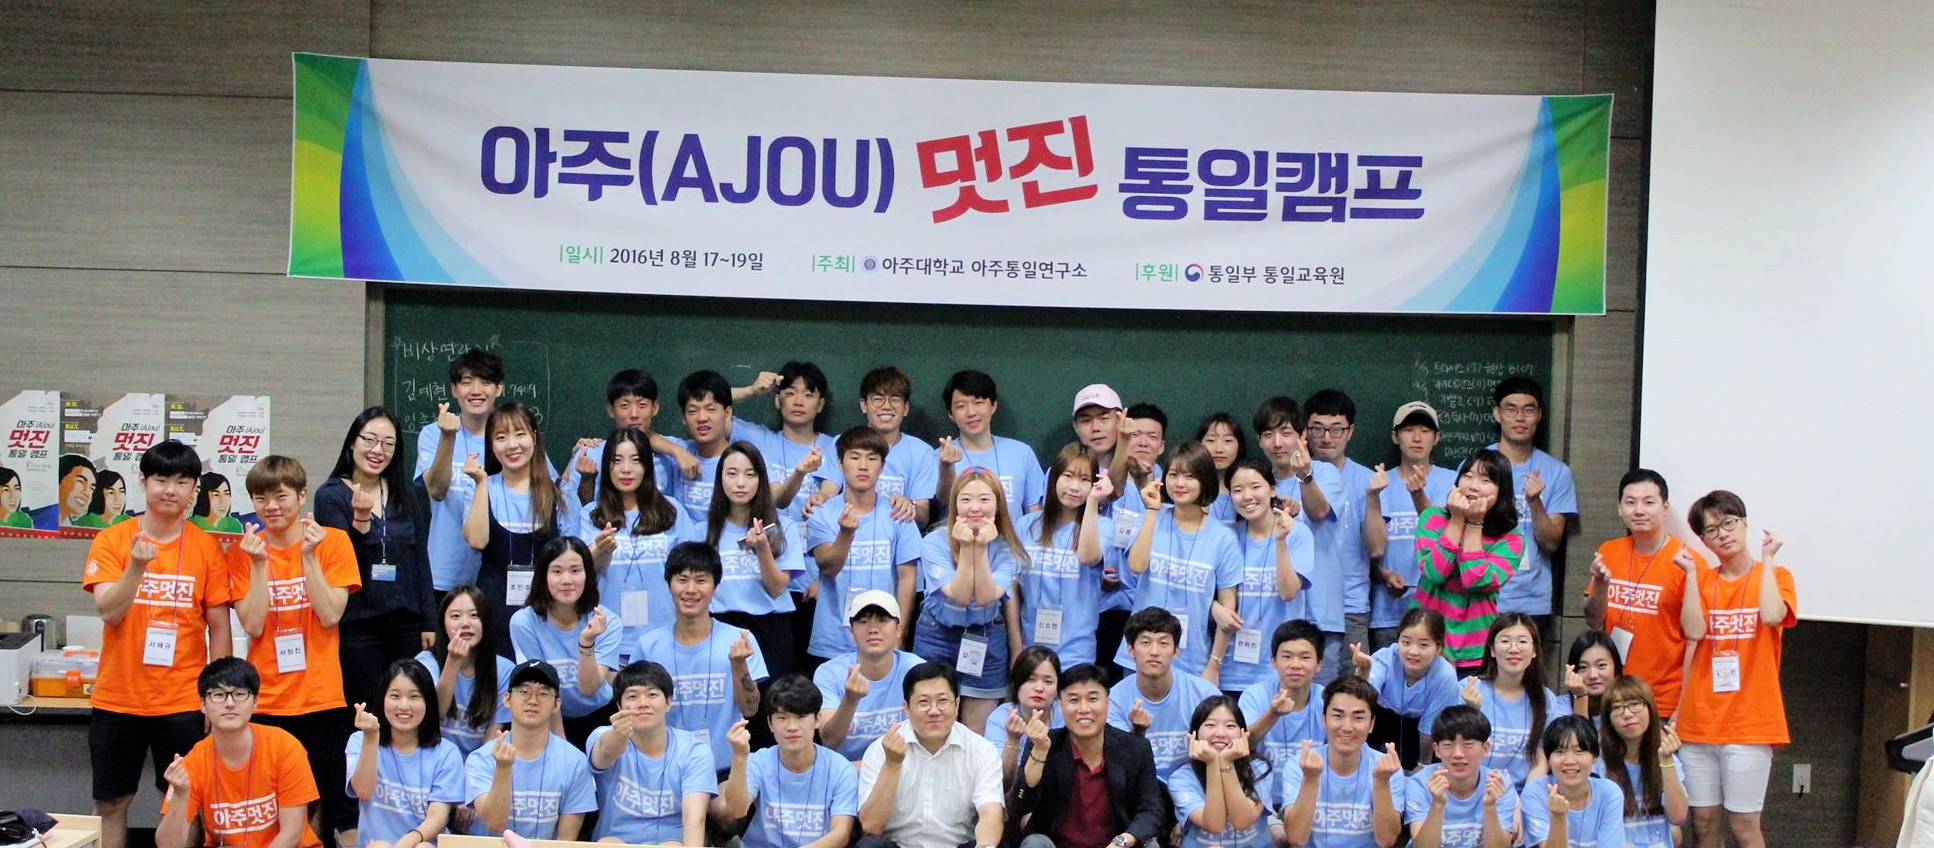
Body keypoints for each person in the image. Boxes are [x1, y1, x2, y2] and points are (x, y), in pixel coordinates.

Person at [84, 440, 233, 848]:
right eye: (161, 479)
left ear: (194, 490)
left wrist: (216, 697)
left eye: (182, 482)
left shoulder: (207, 548)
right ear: (143, 482)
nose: (170, 490)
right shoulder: (112, 540)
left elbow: (220, 628)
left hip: (183, 701)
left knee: (184, 803)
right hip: (118, 699)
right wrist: (135, 567)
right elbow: (109, 611)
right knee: (111, 803)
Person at [228, 455, 361, 844]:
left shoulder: (331, 542)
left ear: (302, 496)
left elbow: (330, 614)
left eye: (280, 496)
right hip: (266, 699)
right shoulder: (243, 551)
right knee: (270, 802)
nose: (271, 506)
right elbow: (253, 624)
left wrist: (307, 557)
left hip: (319, 697)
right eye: (261, 498)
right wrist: (257, 565)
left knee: (319, 802)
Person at [1676, 490, 1796, 848]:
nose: (1723, 534)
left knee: (1744, 826)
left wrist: (1768, 559)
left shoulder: (1776, 575)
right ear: (1703, 540)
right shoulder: (1701, 580)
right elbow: (1694, 631)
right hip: (1699, 722)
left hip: (1750, 723)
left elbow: (1772, 615)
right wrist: (1691, 576)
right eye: (1711, 530)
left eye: (1728, 522)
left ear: (1744, 523)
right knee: (1703, 822)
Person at [317, 407, 438, 726]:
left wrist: (429, 620)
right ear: (352, 442)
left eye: (388, 443)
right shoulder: (331, 496)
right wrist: (360, 521)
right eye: (369, 440)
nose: (377, 450)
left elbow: (420, 558)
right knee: (366, 713)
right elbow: (339, 559)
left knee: (405, 713)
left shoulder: (405, 493)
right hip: (359, 624)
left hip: (406, 623)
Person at [156, 658, 323, 848]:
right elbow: (167, 845)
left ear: (255, 702)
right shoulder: (193, 762)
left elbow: (291, 835)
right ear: (203, 704)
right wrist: (180, 795)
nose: (229, 703)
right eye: (218, 695)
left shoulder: (285, 747)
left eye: (240, 694)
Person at [633, 542, 769, 773]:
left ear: (715, 586)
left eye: (701, 580)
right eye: (682, 579)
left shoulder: (739, 639)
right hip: (665, 769)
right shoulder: (648, 646)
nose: (690, 589)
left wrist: (738, 665)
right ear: (669, 584)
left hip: (725, 769)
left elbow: (750, 708)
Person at [1119, 441, 1243, 683]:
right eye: (1173, 475)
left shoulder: (1224, 538)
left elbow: (1228, 612)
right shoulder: (1150, 518)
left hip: (1193, 662)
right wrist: (1152, 511)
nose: (1180, 483)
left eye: (1190, 476)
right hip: (1140, 656)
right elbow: (1136, 565)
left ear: (1205, 480)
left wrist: (1214, 666)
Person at [1008, 662, 1168, 848]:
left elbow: (1152, 811)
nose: (1084, 709)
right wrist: (1039, 752)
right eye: (1074, 700)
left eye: (1092, 699)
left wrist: (1122, 841)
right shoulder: (1044, 744)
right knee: (1035, 843)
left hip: (1114, 846)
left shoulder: (1135, 748)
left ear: (1107, 704)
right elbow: (1021, 805)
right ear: (1061, 706)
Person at [914, 468, 1025, 731]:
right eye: (965, 499)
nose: (975, 507)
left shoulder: (1006, 548)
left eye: (984, 499)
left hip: (985, 635)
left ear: (998, 505)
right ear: (954, 504)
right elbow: (961, 596)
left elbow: (985, 597)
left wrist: (981, 548)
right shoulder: (934, 542)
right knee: (932, 720)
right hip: (937, 635)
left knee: (978, 730)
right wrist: (966, 547)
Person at [1584, 469, 1700, 718]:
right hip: (1612, 697)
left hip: (1663, 701)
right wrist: (1600, 585)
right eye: (1630, 502)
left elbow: (1696, 642)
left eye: (1648, 502)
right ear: (1619, 508)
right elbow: (1593, 620)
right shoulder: (1609, 551)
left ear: (1665, 507)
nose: (1639, 510)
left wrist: (1683, 708)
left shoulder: (1688, 562)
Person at [463, 400, 579, 649]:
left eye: (520, 434)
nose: (512, 445)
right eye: (501, 437)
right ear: (491, 444)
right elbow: (477, 541)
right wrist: (481, 483)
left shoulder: (560, 492)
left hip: (548, 616)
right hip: (492, 615)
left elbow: (574, 558)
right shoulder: (479, 488)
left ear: (534, 438)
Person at [575, 427, 700, 657]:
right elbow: (578, 571)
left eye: (635, 460)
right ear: (607, 466)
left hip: (666, 637)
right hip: (609, 639)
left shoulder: (672, 511)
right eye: (617, 460)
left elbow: (693, 569)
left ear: (647, 466)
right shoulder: (591, 514)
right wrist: (599, 550)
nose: (626, 469)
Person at [856, 662, 1005, 848]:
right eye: (923, 702)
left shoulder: (981, 750)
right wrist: (892, 764)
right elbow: (871, 826)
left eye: (943, 701)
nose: (934, 711)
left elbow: (991, 812)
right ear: (906, 708)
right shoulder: (881, 750)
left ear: (957, 704)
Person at [806, 426, 921, 662]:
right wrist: (846, 533)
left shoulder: (899, 514)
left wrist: (900, 635)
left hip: (884, 640)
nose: (863, 466)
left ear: (882, 466)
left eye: (872, 458)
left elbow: (907, 578)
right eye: (855, 457)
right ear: (840, 464)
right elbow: (828, 568)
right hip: (832, 642)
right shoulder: (822, 513)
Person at [1301, 389, 1391, 690]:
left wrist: (1372, 498)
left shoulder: (1367, 479)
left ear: (1350, 431)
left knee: (1353, 692)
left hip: (1351, 605)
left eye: (1336, 429)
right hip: (1302, 604)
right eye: (1317, 428)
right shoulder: (1291, 477)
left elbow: (1377, 548)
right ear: (1305, 431)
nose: (1327, 438)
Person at [1412, 448, 1524, 670]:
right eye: (1468, 476)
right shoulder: (1433, 518)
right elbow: (1435, 573)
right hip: (1424, 643)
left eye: (1485, 480)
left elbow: (1474, 580)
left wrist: (1474, 524)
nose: (1473, 486)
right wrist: (1457, 521)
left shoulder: (1511, 539)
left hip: (1475, 649)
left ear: (1502, 491)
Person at [718, 674, 860, 848]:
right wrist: (739, 756)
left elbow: (841, 834)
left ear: (817, 720)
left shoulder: (840, 769)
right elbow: (736, 811)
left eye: (801, 717)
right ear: (770, 724)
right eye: (782, 718)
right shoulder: (758, 762)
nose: (792, 727)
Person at [587, 660, 719, 845]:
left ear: (668, 702)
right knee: (609, 843)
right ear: (619, 706)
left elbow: (694, 820)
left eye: (652, 695)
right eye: (632, 696)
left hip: (673, 842)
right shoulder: (602, 736)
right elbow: (604, 753)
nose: (643, 704)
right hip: (617, 840)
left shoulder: (694, 751)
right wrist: (618, 735)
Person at [507, 537, 621, 748]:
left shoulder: (607, 622)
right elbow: (544, 687)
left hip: (599, 715)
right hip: (548, 714)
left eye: (575, 570)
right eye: (557, 571)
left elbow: (589, 688)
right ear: (543, 576)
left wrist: (587, 643)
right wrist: (563, 751)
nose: (567, 580)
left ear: (587, 575)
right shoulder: (524, 622)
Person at [705, 440, 805, 680]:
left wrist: (762, 548)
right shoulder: (703, 531)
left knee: (774, 698)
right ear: (720, 479)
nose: (741, 483)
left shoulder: (783, 527)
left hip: (771, 628)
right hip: (721, 625)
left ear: (761, 480)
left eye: (750, 475)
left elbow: (777, 587)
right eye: (732, 474)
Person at [464, 660, 597, 839]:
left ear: (556, 704)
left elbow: (566, 841)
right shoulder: (481, 759)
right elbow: (495, 823)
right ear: (507, 699)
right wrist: (502, 769)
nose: (533, 701)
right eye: (524, 692)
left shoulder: (575, 762)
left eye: (543, 693)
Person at [1486, 376, 1577, 635]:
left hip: (1532, 602)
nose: (1520, 418)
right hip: (1482, 597)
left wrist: (1535, 502)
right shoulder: (1477, 466)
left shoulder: (1557, 472)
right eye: (1511, 409)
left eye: (1528, 410)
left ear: (1539, 415)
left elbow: (1551, 542)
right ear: (1497, 413)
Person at [1011, 444, 1114, 667]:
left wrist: (1094, 501)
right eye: (1067, 476)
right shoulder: (1026, 525)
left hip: (1076, 654)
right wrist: (1016, 647)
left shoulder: (1103, 526)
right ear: (1054, 478)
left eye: (1085, 479)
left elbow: (1088, 557)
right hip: (1030, 651)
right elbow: (1013, 590)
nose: (1074, 487)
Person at [345, 661, 465, 848]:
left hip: (421, 843)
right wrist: (371, 737)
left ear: (428, 702)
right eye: (395, 696)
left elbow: (438, 816)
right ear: (382, 699)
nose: (403, 705)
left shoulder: (447, 753)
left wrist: (409, 841)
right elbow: (363, 791)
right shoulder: (361, 740)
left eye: (414, 697)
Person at [1219, 457, 1313, 695]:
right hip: (1230, 668)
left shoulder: (1297, 534)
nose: (1247, 496)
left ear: (1272, 490)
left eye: (1255, 487)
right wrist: (1215, 608)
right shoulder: (1226, 537)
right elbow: (1209, 592)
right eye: (1237, 490)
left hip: (1279, 670)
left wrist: (1280, 541)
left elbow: (1289, 592)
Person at [1278, 674, 1405, 848]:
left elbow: (1387, 841)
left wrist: (1381, 782)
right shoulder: (1300, 765)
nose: (1347, 727)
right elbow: (1296, 839)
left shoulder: (1387, 769)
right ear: (1324, 719)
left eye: (1358, 718)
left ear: (1371, 724)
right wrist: (1310, 779)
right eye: (1338, 716)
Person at [418, 347, 505, 592]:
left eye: (485, 382)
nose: (476, 391)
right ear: (454, 389)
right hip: (444, 573)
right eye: (467, 382)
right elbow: (436, 491)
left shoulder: (512, 440)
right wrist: (448, 437)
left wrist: (579, 455)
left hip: (497, 574)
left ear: (499, 388)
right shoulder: (433, 434)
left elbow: (547, 486)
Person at [1374, 401, 1457, 651]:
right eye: (1409, 430)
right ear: (1395, 436)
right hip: (1387, 611)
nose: (1417, 438)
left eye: (1425, 430)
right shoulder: (1379, 482)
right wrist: (1383, 574)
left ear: (1437, 437)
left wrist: (1419, 495)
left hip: (1439, 609)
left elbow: (1451, 537)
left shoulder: (1454, 482)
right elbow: (1364, 547)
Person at [1068, 384, 1137, 680]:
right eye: (1086, 420)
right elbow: (1110, 490)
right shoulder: (1067, 475)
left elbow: (1116, 489)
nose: (1095, 427)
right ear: (1076, 427)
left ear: (1120, 419)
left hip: (1135, 605)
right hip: (1083, 608)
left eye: (1104, 418)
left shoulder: (1150, 474)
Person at [1106, 607, 1222, 775]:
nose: (1154, 652)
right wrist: (1137, 732)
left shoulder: (1204, 694)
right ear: (1130, 650)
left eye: (1163, 643)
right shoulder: (1114, 700)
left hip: (1191, 780)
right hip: (1139, 781)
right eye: (1145, 643)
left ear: (1175, 651)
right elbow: (1120, 762)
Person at [814, 590, 926, 762]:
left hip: (903, 765)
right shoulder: (829, 673)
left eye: (883, 620)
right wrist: (850, 700)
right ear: (852, 631)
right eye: (863, 621)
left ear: (898, 629)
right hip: (847, 771)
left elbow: (929, 736)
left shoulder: (917, 670)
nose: (873, 629)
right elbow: (830, 741)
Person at [563, 367, 700, 505]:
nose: (634, 414)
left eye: (642, 405)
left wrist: (675, 450)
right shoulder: (589, 455)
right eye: (625, 405)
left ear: (655, 408)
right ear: (610, 410)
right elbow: (570, 512)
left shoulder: (679, 452)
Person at [1463, 613, 1569, 789]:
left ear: (1534, 651)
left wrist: (1526, 801)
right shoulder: (1468, 689)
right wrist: (1471, 712)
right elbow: (1456, 752)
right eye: (1505, 641)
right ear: (1492, 650)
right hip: (1474, 790)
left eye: (1522, 641)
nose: (1514, 649)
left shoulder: (1546, 699)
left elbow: (1540, 761)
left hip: (1521, 794)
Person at [1349, 607, 1460, 768]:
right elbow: (1364, 698)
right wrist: (1363, 673)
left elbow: (1430, 727)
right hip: (1381, 716)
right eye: (1406, 642)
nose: (1413, 651)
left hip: (1420, 729)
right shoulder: (1385, 657)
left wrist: (1423, 764)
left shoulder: (1445, 675)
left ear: (1438, 648)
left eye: (1423, 645)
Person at [934, 370, 1046, 520]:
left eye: (978, 403)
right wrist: (946, 467)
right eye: (961, 406)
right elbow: (942, 502)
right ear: (950, 414)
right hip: (959, 535)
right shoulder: (940, 457)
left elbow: (1035, 514)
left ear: (993, 406)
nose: (971, 412)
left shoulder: (1021, 453)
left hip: (1012, 536)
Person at [415, 586, 512, 756]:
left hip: (478, 763)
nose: (465, 623)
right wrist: (453, 661)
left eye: (474, 615)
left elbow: (493, 735)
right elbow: (434, 713)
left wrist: (477, 767)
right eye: (455, 616)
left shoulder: (504, 670)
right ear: (443, 624)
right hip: (433, 759)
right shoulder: (426, 662)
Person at [1240, 620, 1327, 807]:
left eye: (1305, 657)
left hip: (1311, 804)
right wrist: (1272, 714)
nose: (1295, 665)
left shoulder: (1327, 700)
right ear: (1273, 661)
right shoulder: (1254, 695)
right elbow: (1240, 745)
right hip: (1258, 804)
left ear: (1319, 664)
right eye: (1287, 657)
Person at [1403, 706, 1516, 848]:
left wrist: (1490, 807)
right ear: (1437, 749)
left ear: (1485, 748)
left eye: (1468, 744)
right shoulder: (1420, 784)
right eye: (1448, 745)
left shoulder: (1499, 784)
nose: (1458, 754)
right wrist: (1437, 804)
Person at [1170, 695, 1272, 848]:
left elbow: (1242, 821)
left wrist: (1226, 763)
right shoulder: (1181, 778)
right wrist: (1212, 763)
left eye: (1230, 726)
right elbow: (1215, 825)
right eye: (1210, 725)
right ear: (1194, 734)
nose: (1220, 733)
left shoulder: (1259, 767)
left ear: (1243, 734)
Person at [668, 369, 769, 524]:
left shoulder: (744, 461)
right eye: (693, 411)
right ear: (683, 417)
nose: (702, 418)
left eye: (711, 409)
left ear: (727, 413)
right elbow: (642, 435)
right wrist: (675, 451)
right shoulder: (678, 450)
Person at [1598, 676, 1688, 848]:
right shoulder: (1598, 763)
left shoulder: (1667, 757)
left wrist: (1666, 761)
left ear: (1650, 709)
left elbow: (1678, 817)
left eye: (1635, 704)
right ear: (1608, 719)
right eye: (1617, 707)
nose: (1627, 714)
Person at [1518, 715, 1627, 848]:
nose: (1569, 761)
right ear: (1548, 759)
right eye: (1560, 751)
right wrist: (1558, 817)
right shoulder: (1535, 794)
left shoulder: (1609, 793)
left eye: (1579, 751)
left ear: (1594, 757)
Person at [856, 366, 939, 525]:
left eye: (895, 399)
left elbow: (923, 518)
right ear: (864, 405)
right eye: (878, 399)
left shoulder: (921, 452)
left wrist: (910, 507)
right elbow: (828, 498)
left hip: (901, 535)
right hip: (852, 534)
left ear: (905, 408)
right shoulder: (844, 444)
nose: (886, 406)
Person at [984, 646, 1063, 785]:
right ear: (1016, 683)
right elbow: (1001, 781)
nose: (1039, 688)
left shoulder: (1065, 714)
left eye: (1048, 681)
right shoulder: (1000, 717)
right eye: (1030, 679)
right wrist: (1013, 739)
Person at [1195, 412, 1251, 525]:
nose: (1219, 449)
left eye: (1228, 441)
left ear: (1239, 446)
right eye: (1211, 440)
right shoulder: (1189, 488)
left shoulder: (1251, 490)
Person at [1563, 630, 1622, 719]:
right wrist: (1580, 696)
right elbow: (1580, 728)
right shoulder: (1560, 709)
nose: (1593, 675)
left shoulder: (1630, 708)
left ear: (1616, 667)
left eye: (1601, 665)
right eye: (1583, 667)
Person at [38, 453, 96, 530]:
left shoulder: (73, 526)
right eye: (80, 481)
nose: (87, 492)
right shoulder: (37, 520)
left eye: (92, 488)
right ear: (58, 481)